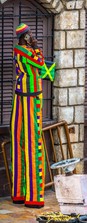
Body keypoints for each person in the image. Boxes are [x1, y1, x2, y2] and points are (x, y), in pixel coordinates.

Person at [11, 23, 45, 208]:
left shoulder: (18, 49)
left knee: (19, 141)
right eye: (29, 34)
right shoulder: (25, 50)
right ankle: (33, 196)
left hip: (20, 94)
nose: (31, 36)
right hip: (31, 96)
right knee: (33, 142)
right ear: (24, 36)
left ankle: (18, 194)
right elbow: (40, 62)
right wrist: (37, 48)